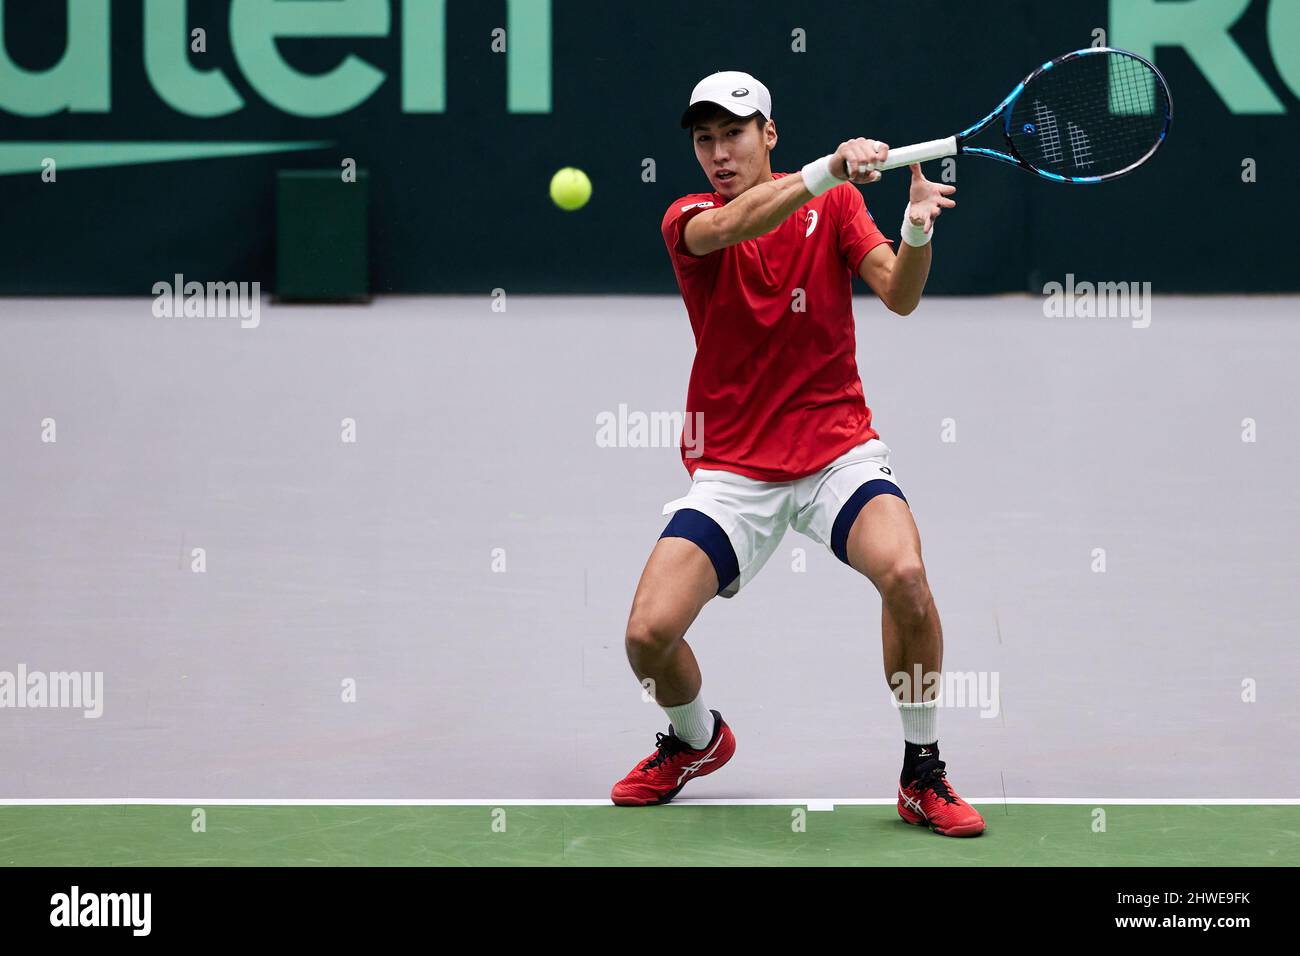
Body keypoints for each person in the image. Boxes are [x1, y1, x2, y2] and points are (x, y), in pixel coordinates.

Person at [609, 71, 984, 837]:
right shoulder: (688, 218)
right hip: (733, 472)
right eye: (704, 139)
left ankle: (922, 770)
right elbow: (737, 226)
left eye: (734, 135)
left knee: (906, 575)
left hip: (834, 452)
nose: (718, 153)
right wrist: (827, 170)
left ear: (768, 136)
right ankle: (695, 740)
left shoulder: (837, 205)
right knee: (647, 635)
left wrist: (915, 228)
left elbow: (900, 295)